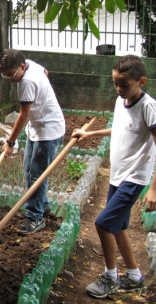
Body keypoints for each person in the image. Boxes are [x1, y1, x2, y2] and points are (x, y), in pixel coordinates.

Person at [73, 55, 156, 298]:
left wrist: (153, 189)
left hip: (134, 178)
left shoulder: (149, 107)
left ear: (141, 81)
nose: (119, 89)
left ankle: (110, 276)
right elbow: (120, 129)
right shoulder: (122, 101)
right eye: (115, 83)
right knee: (117, 227)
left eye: (124, 84)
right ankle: (134, 276)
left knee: (102, 223)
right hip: (118, 177)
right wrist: (90, 133)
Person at [0, 49, 65, 234]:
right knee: (29, 171)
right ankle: (42, 206)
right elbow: (46, 72)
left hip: (48, 130)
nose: (10, 79)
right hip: (36, 128)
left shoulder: (26, 81)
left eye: (11, 74)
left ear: (22, 67)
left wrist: (10, 142)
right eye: (5, 75)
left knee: (36, 176)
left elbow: (23, 115)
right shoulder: (32, 65)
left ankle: (35, 218)